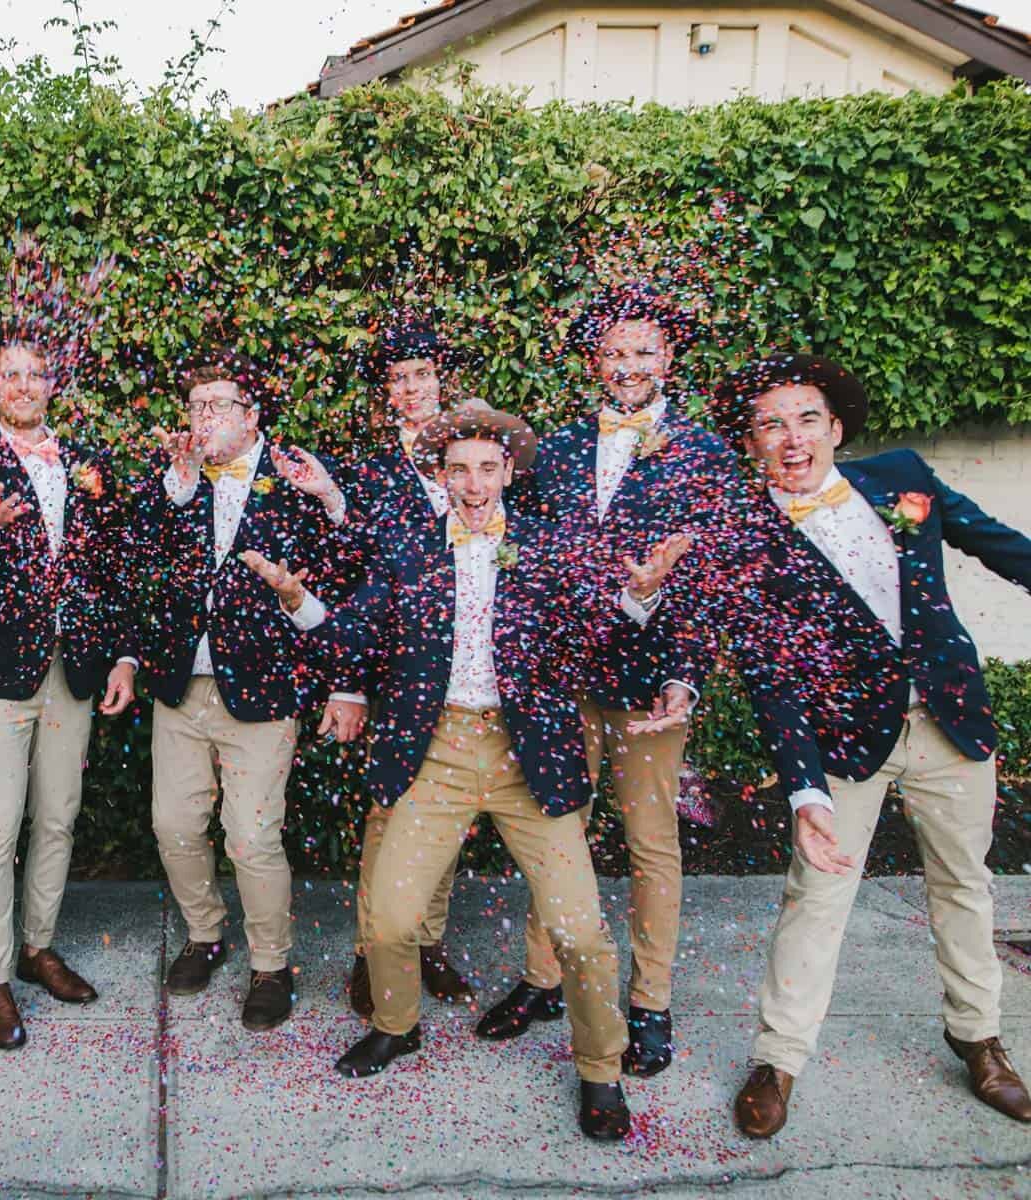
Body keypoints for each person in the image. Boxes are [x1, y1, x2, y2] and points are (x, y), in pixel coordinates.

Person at [246, 400, 671, 1140]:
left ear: (508, 472)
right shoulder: (408, 550)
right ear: (440, 477)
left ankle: (602, 1071)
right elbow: (353, 633)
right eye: (458, 470)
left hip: (526, 754)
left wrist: (639, 596)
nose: (473, 484)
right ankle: (397, 1023)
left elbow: (595, 631)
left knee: (580, 933)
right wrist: (296, 599)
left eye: (486, 468)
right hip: (436, 750)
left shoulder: (546, 545)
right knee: (391, 920)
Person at [707, 353, 1031, 1137]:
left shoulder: (900, 477)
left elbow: (997, 543)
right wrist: (805, 789)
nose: (792, 437)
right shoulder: (743, 540)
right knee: (816, 897)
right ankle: (777, 1059)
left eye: (807, 418)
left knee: (964, 885)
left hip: (952, 723)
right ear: (751, 443)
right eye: (771, 424)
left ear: (837, 426)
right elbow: (769, 678)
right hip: (846, 744)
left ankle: (979, 1039)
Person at [479, 282, 732, 1078]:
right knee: (557, 828)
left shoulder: (705, 454)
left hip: (653, 684)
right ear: (596, 362)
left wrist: (686, 676)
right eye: (615, 353)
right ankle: (542, 978)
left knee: (651, 844)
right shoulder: (553, 449)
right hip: (565, 674)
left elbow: (709, 578)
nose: (628, 366)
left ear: (668, 360)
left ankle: (650, 1001)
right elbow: (523, 556)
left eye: (643, 352)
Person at [134, 348, 354, 1033]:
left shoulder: (294, 476)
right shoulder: (178, 477)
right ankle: (205, 934)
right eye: (196, 407)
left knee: (252, 838)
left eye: (217, 405)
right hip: (181, 687)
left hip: (260, 690)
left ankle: (271, 964)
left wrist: (331, 499)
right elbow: (140, 556)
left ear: (251, 415)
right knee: (173, 825)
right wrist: (175, 490)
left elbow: (347, 562)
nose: (203, 418)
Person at [0, 333, 138, 1050]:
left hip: (74, 667)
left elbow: (109, 568)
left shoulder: (88, 464)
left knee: (58, 815)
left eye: (36, 374)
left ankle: (37, 946)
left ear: (54, 385)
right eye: (10, 374)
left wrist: (122, 655)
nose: (23, 385)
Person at [332, 319, 477, 1017]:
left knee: (450, 815)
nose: (412, 388)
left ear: (441, 381)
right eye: (399, 379)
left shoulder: (475, 457)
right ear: (386, 394)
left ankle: (426, 940)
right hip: (398, 674)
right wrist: (350, 681)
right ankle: (373, 949)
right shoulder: (370, 475)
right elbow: (353, 579)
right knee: (389, 813)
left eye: (422, 374)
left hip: (472, 672)